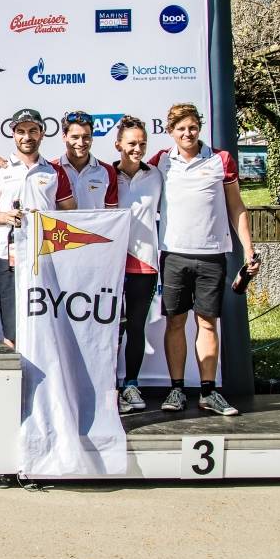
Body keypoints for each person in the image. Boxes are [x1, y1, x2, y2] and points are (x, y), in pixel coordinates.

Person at [149, 102, 260, 416]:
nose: (187, 133)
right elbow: (129, 174)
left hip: (212, 256)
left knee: (207, 323)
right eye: (180, 128)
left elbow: (237, 207)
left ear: (199, 128)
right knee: (175, 322)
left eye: (192, 127)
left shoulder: (220, 160)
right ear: (170, 132)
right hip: (173, 254)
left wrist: (249, 250)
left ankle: (209, 392)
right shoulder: (160, 161)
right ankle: (176, 389)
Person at [0, 108, 76, 348]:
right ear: (13, 134)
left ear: (42, 134)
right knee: (12, 329)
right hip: (9, 259)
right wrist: (4, 216)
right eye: (21, 131)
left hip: (45, 260)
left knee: (46, 328)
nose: (26, 137)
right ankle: (16, 385)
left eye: (32, 131)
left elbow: (71, 213)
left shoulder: (54, 171)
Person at [112, 116, 163, 414]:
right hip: (111, 263)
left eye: (142, 143)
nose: (137, 149)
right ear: (118, 144)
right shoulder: (105, 174)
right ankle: (109, 386)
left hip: (144, 263)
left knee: (136, 327)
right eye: (131, 143)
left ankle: (131, 384)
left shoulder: (156, 175)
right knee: (110, 329)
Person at [52, 111, 118, 210]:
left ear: (92, 138)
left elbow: (112, 214)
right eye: (75, 137)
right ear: (64, 137)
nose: (81, 142)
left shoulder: (108, 171)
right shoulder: (51, 170)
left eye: (86, 137)